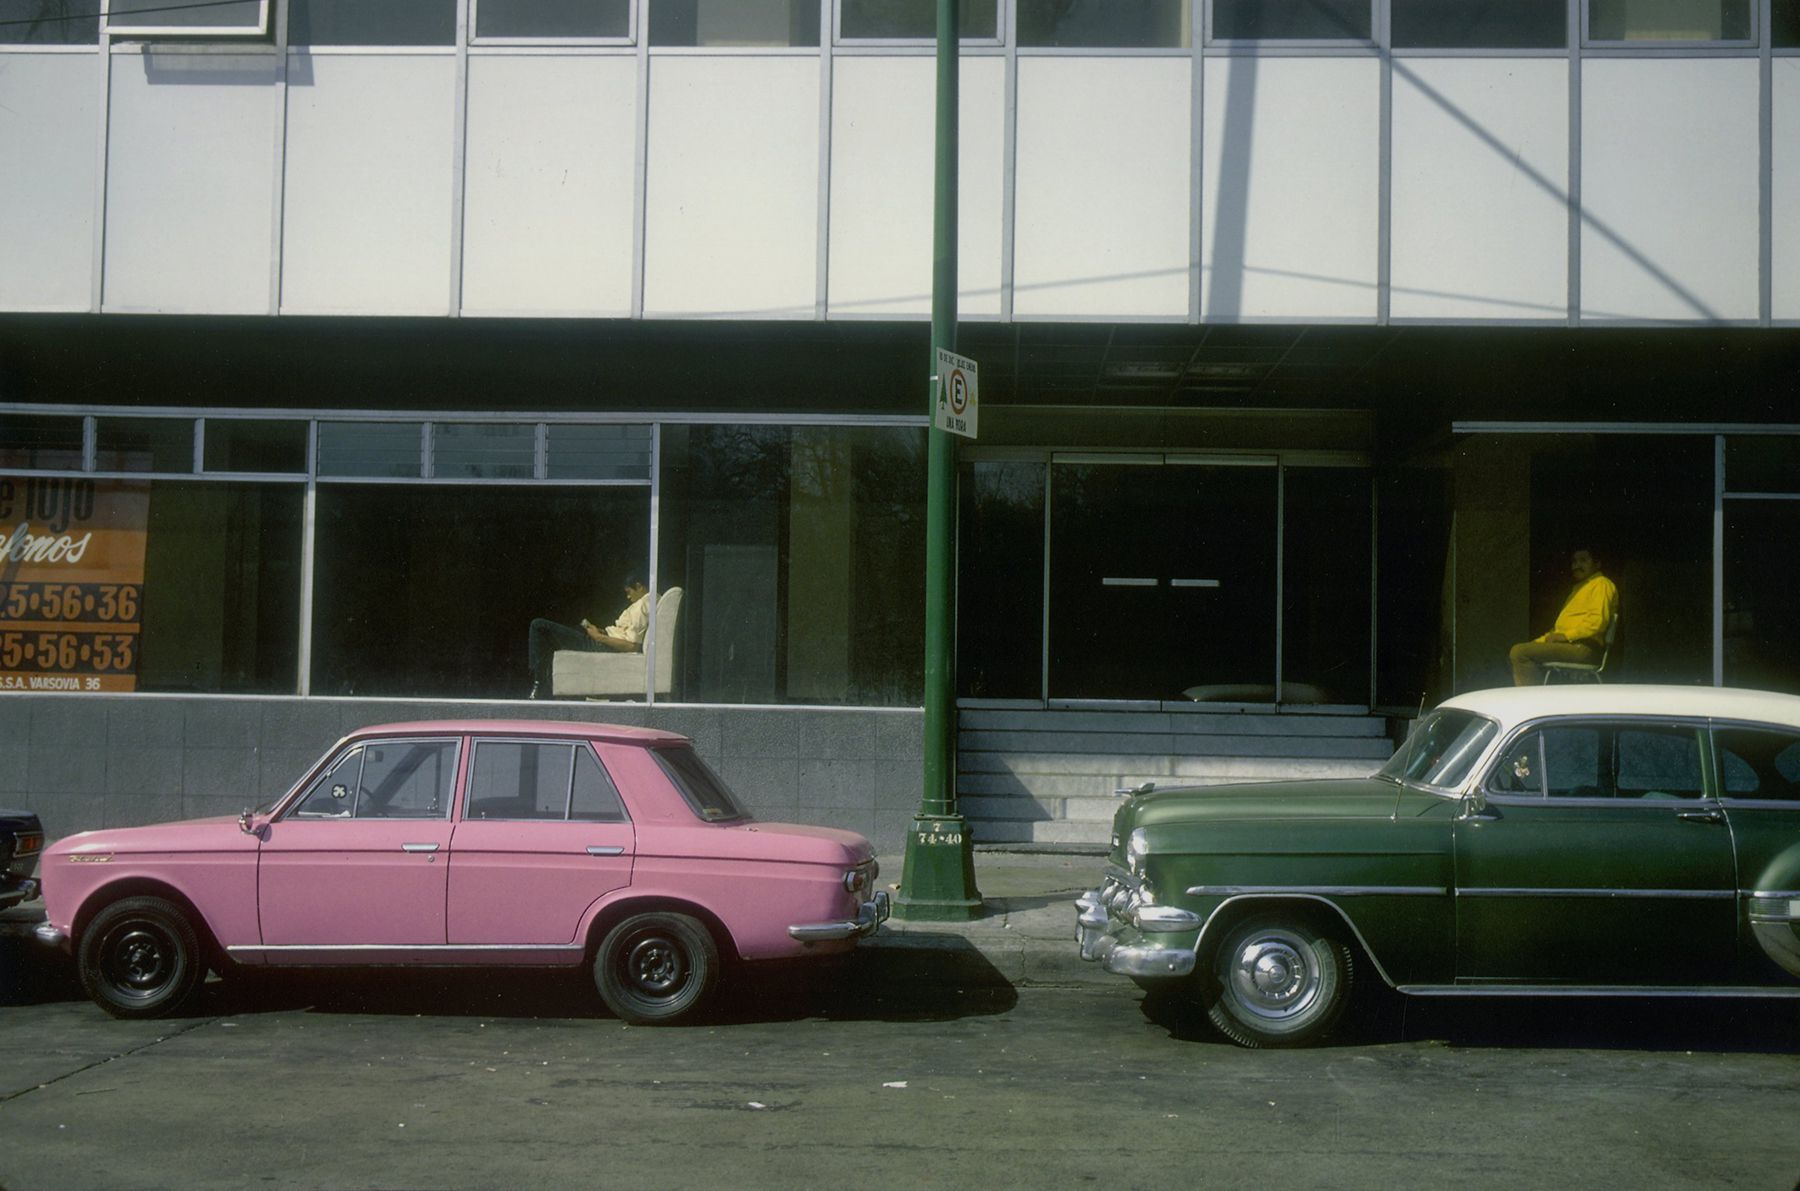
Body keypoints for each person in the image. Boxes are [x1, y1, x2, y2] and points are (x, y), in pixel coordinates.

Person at [527, 574, 651, 698]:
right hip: (603, 639)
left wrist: (599, 637)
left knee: (538, 626)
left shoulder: (642, 606)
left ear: (639, 586)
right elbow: (624, 633)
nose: (628, 597)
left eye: (629, 592)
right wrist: (600, 631)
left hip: (601, 645)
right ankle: (543, 683)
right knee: (563, 627)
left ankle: (540, 684)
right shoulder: (647, 602)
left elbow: (632, 646)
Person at [1508, 548, 1619, 686]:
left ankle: (1532, 703)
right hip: (1572, 646)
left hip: (1584, 648)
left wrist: (1566, 636)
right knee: (1522, 650)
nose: (1577, 565)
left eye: (1583, 560)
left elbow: (1597, 621)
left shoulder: (1601, 584)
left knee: (1519, 653)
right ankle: (1541, 698)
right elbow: (1558, 630)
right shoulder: (1578, 589)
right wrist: (1539, 642)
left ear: (1597, 564)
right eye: (1574, 561)